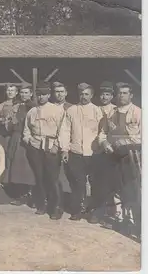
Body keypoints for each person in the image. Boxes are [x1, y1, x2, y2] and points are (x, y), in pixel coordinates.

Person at [93, 83, 141, 235]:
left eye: (125, 93)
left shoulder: (138, 112)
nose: (122, 96)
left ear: (131, 95)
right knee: (114, 187)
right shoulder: (110, 113)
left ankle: (134, 222)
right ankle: (118, 218)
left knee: (131, 189)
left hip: (131, 156)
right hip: (112, 155)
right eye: (120, 93)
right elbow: (102, 132)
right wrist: (105, 143)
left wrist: (127, 142)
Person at [59, 83, 104, 221]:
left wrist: (100, 148)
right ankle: (77, 210)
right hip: (76, 152)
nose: (84, 97)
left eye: (86, 94)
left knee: (95, 182)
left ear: (91, 95)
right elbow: (65, 131)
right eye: (81, 94)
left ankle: (93, 211)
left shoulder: (97, 111)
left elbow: (102, 131)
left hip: (93, 152)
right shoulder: (71, 110)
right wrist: (65, 149)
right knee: (78, 182)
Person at [23, 82, 65, 220]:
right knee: (39, 178)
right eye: (39, 95)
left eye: (44, 95)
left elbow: (62, 130)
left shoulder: (57, 110)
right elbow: (26, 130)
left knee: (52, 178)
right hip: (35, 147)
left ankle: (56, 207)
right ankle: (42, 205)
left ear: (48, 95)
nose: (41, 97)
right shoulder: (32, 112)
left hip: (51, 147)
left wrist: (57, 146)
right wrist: (28, 141)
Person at [1, 84, 36, 206]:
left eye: (26, 92)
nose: (24, 95)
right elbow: (9, 124)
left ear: (31, 93)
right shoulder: (15, 106)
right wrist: (10, 122)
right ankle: (21, 194)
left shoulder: (34, 107)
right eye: (22, 92)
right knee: (17, 167)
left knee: (28, 168)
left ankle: (31, 194)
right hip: (16, 138)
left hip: (28, 139)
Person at [96, 81, 119, 218]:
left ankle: (113, 211)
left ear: (112, 96)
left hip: (110, 151)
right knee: (96, 181)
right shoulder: (95, 109)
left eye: (107, 94)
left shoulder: (115, 111)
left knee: (111, 182)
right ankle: (98, 208)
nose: (104, 97)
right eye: (102, 94)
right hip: (95, 150)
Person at [0, 84, 19, 150]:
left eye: (12, 90)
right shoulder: (1, 105)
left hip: (14, 134)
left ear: (16, 92)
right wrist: (0, 121)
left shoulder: (19, 105)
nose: (10, 92)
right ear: (6, 92)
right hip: (3, 134)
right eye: (8, 90)